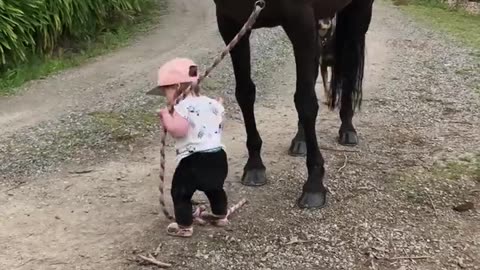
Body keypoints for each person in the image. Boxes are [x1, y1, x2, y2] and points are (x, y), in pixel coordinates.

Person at [148, 58, 229, 237]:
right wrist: (219, 105)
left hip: (194, 159)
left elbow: (179, 130)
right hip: (218, 156)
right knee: (215, 187)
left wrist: (165, 116)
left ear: (176, 86)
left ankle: (184, 225)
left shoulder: (181, 107)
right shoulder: (212, 103)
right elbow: (219, 121)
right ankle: (220, 215)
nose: (165, 96)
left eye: (165, 91)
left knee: (181, 192)